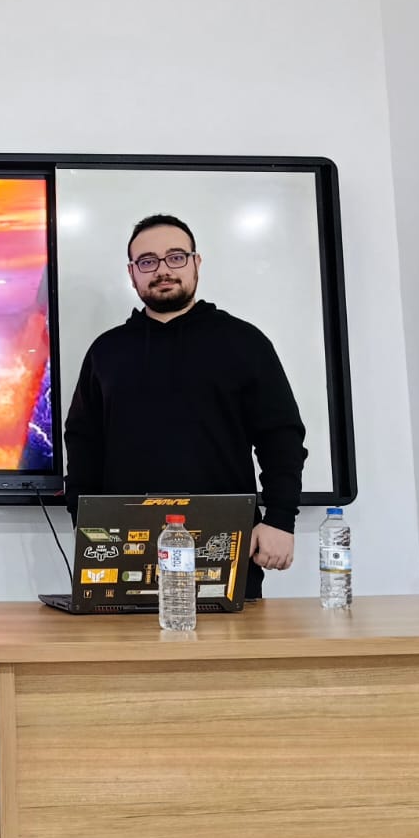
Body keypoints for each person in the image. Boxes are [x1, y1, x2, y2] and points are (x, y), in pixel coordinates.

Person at [63, 213, 306, 601]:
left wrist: (280, 519)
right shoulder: (106, 352)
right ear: (132, 273)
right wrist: (85, 524)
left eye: (176, 257)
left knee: (230, 643)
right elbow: (82, 445)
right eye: (147, 261)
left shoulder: (244, 343)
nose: (163, 270)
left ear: (196, 263)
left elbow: (282, 439)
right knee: (120, 644)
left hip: (224, 542)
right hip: (121, 549)